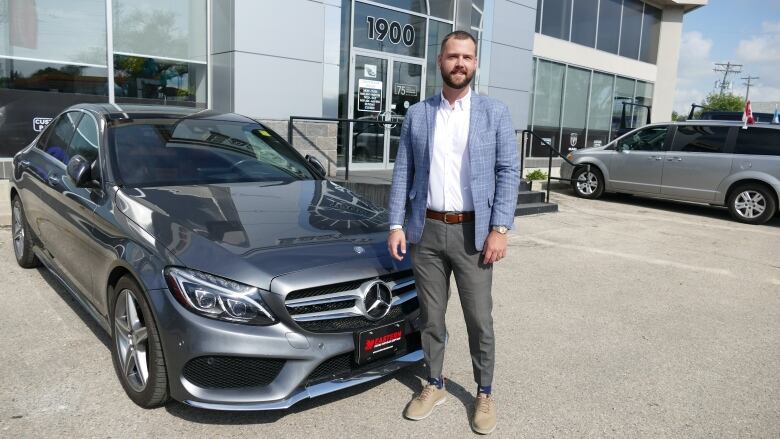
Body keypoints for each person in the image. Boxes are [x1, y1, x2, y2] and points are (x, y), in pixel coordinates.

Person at [387, 30, 519, 435]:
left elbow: (507, 172)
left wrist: (500, 228)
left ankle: (484, 391)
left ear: (475, 64)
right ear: (439, 61)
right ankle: (435, 383)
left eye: (467, 57)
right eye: (452, 56)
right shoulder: (418, 114)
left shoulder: (494, 113)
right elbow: (403, 171)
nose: (460, 63)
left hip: (473, 234)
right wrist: (395, 224)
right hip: (426, 231)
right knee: (431, 316)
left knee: (479, 318)